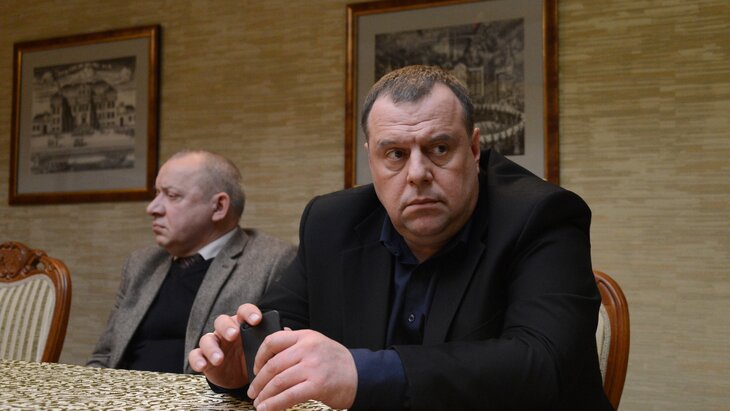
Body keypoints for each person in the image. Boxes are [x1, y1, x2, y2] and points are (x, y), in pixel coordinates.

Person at [189, 65, 613, 410]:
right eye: (395, 154)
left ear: (474, 150)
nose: (417, 174)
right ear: (370, 159)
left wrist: (361, 373)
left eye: (440, 148)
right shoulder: (331, 222)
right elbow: (281, 331)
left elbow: (544, 365)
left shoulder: (541, 216)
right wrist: (244, 366)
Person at [87, 150, 296, 374]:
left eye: (172, 195)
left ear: (219, 207)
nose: (152, 208)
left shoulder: (273, 261)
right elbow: (104, 356)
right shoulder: (140, 264)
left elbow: (271, 367)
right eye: (157, 193)